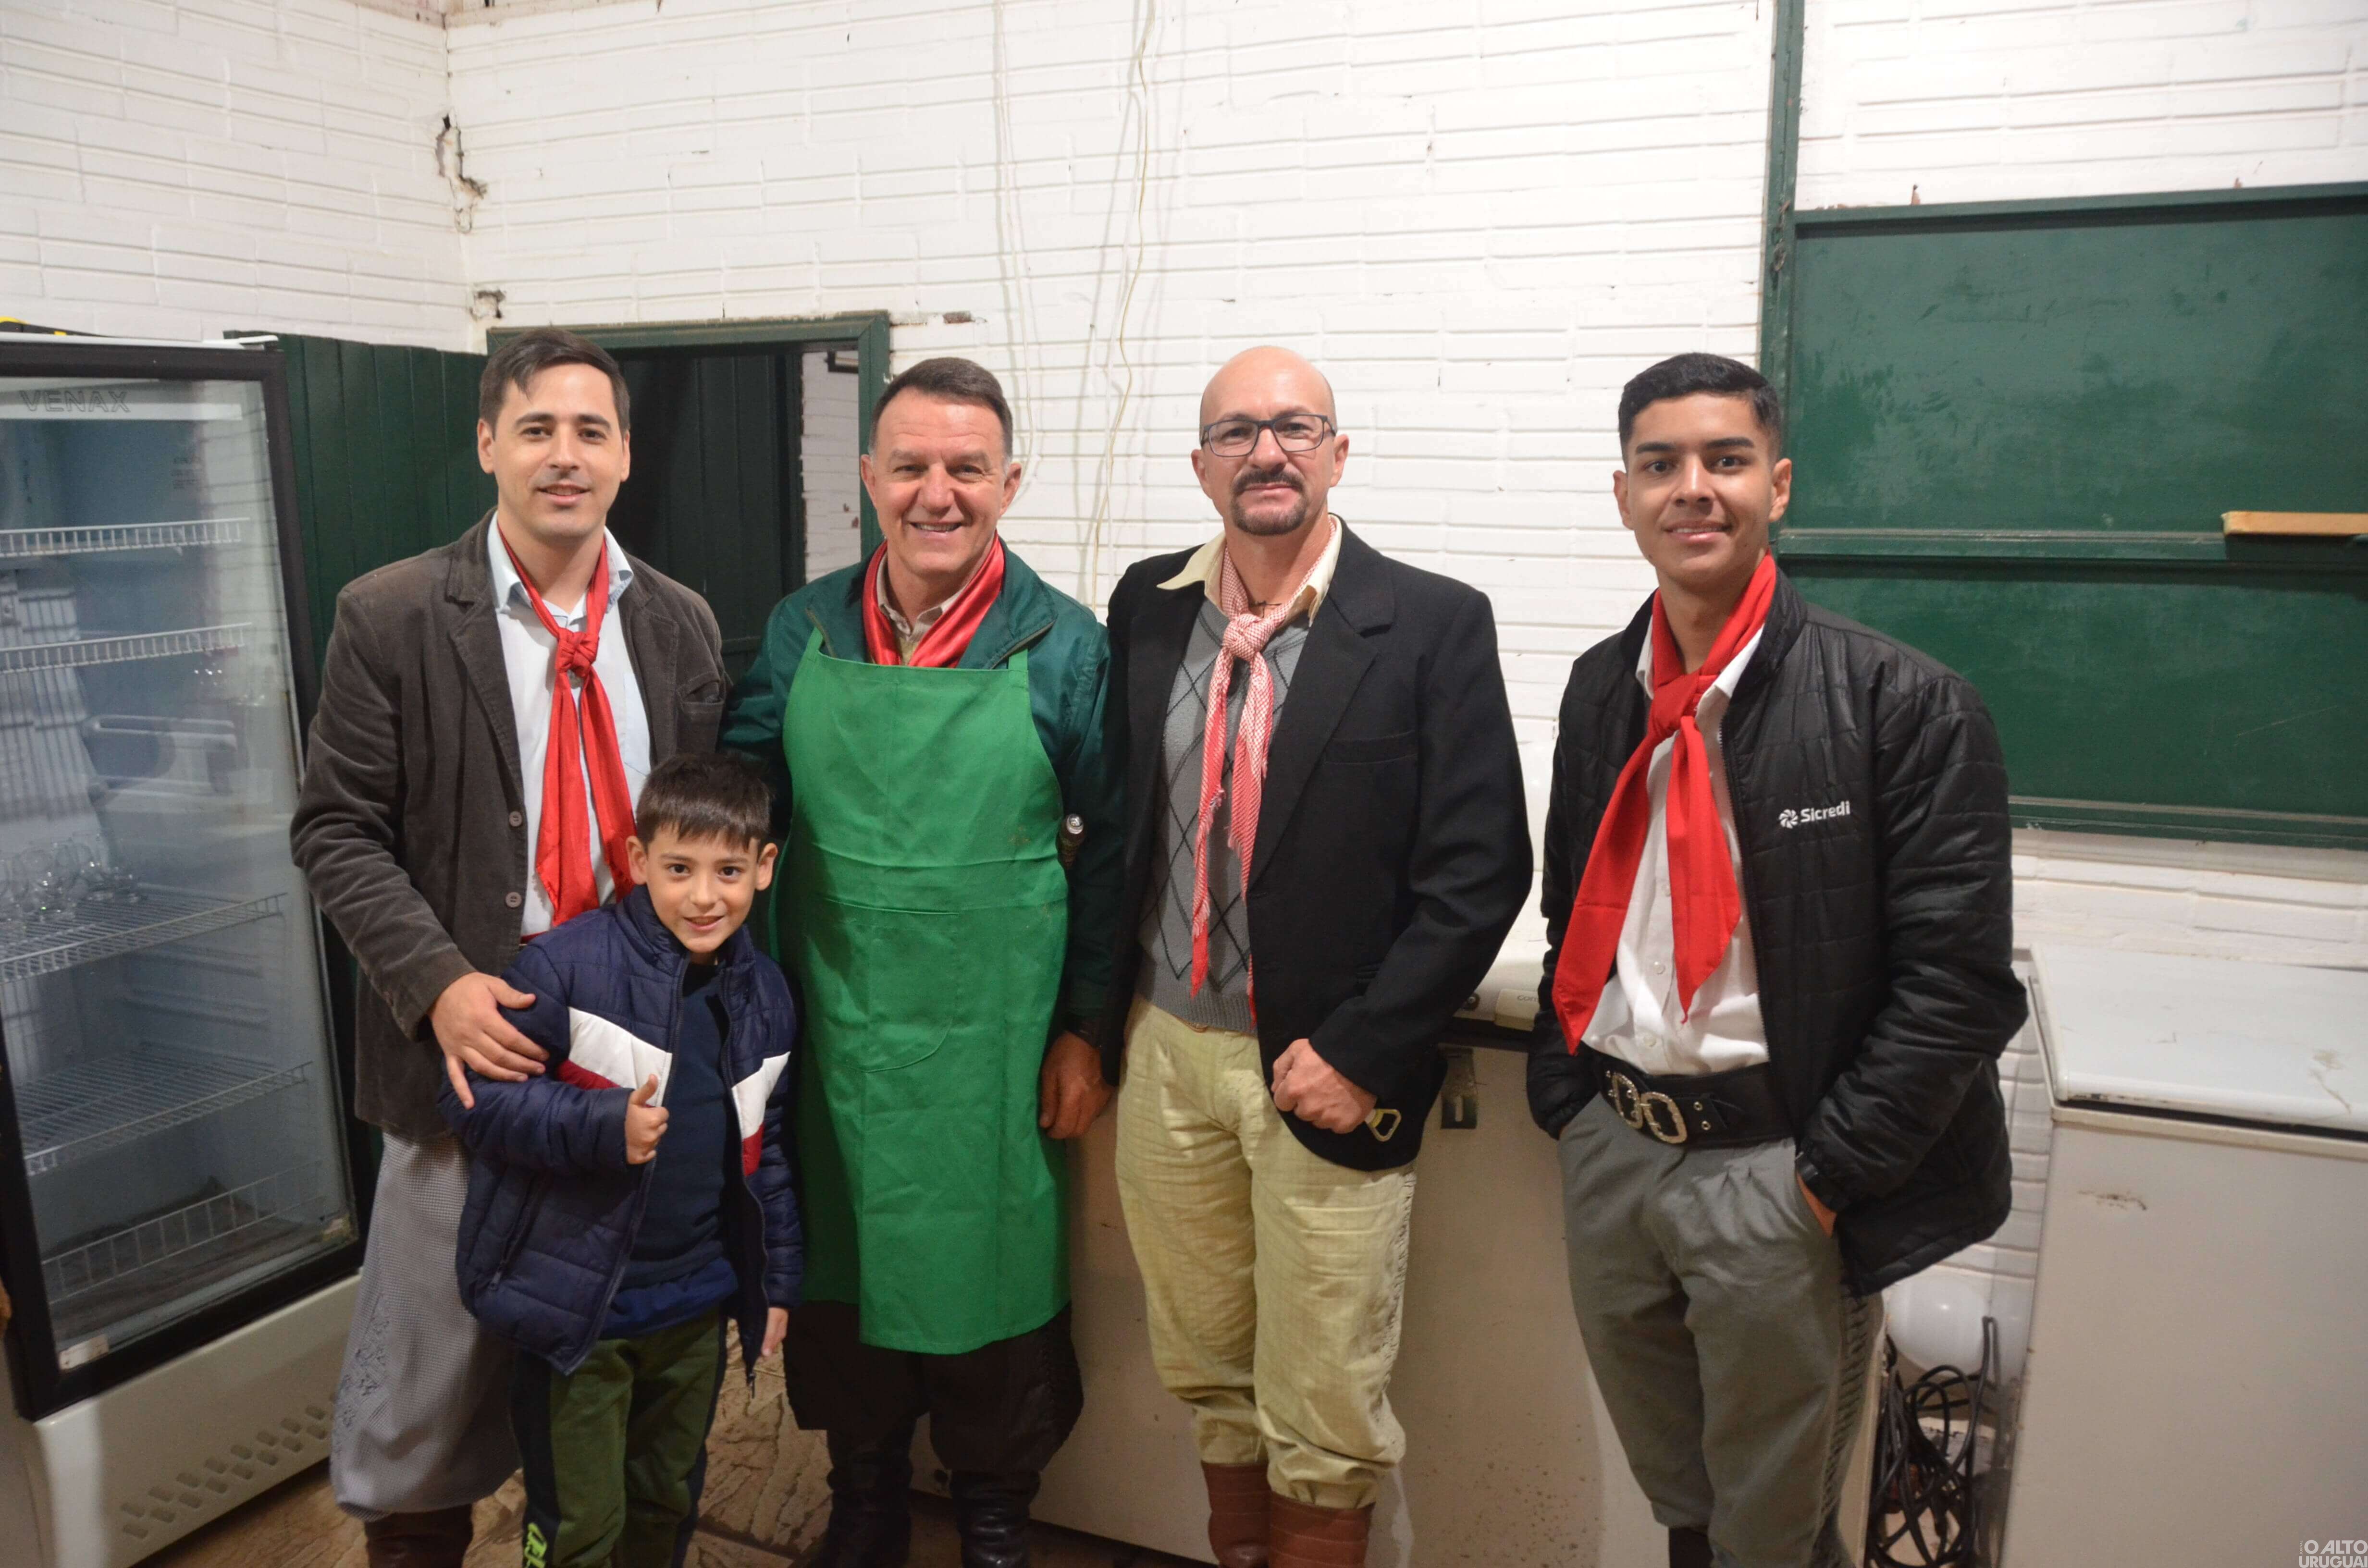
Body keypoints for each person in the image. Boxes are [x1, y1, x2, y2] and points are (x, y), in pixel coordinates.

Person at [1527, 353, 2028, 1568]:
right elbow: (1572, 918)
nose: (1691, 490)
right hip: (1617, 1151)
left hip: (1775, 1176)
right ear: (1622, 493)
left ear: (1779, 484)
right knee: (1681, 1497)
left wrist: (1824, 1182)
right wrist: (1570, 1103)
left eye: (1725, 460)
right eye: (1660, 465)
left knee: (1776, 1521)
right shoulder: (1604, 688)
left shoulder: (1903, 702)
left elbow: (1957, 988)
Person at [292, 327, 728, 1567]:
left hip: (633, 1056)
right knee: (419, 1415)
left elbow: (698, 833)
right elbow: (334, 828)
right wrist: (435, 987)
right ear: (487, 442)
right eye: (536, 428)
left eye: (592, 431)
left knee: (613, 1377)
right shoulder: (389, 616)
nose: (564, 456)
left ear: (627, 456)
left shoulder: (683, 627)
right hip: (472, 1058)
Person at [1097, 346, 1531, 1568]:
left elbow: (1481, 868)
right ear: (1201, 467)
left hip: (1327, 1063)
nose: (1267, 452)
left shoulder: (1429, 624)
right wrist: (1101, 1026)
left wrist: (1363, 1047)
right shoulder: (1146, 606)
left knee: (1326, 1391)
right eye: (1236, 433)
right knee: (1203, 1360)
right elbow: (1117, 834)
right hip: (1168, 1051)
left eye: (1295, 428)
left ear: (1337, 453)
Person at [721, 357, 1122, 1568]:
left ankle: (995, 1510)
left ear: (1008, 481)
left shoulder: (1062, 644)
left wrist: (1085, 1031)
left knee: (987, 1271)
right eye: (910, 467)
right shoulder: (805, 627)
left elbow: (1113, 857)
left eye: (964, 468)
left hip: (995, 1043)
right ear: (867, 480)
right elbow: (745, 800)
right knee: (847, 1268)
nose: (935, 493)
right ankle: (865, 1495)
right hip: (834, 1023)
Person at [439, 752, 801, 1568]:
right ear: (638, 862)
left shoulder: (769, 997)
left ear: (765, 869)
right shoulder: (565, 969)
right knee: (577, 1527)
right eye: (678, 868)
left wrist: (775, 1279)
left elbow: (767, 1152)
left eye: (729, 871)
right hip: (580, 1322)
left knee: (668, 1500)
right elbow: (476, 1103)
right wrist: (603, 1127)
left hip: (696, 1311)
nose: (704, 896)